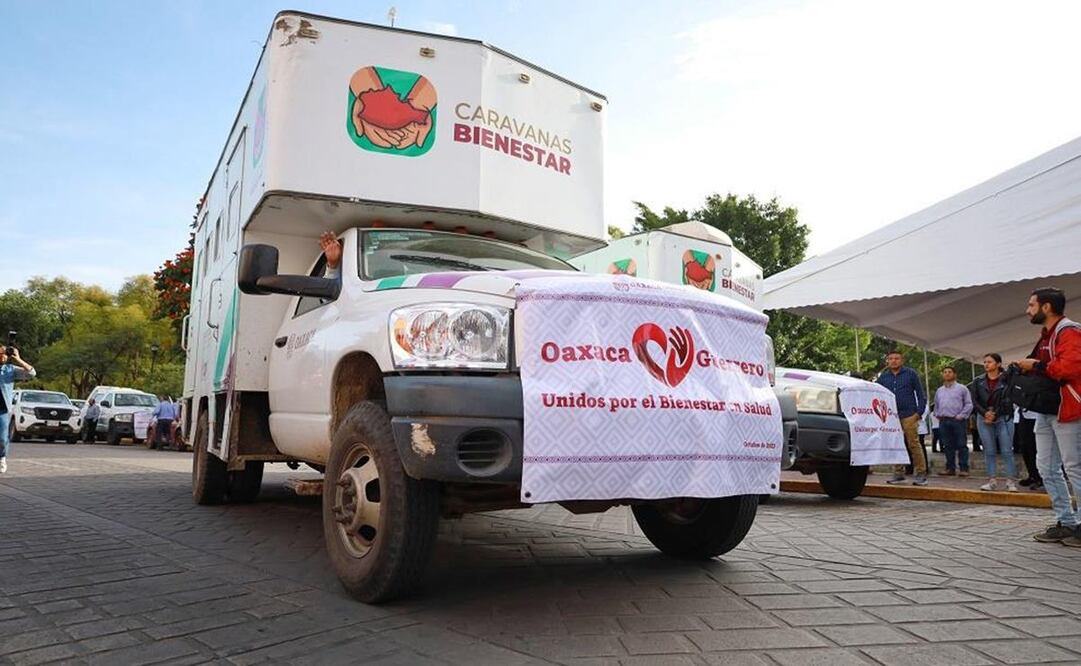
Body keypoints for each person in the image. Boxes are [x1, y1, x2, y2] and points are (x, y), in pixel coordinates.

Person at [1013, 287, 1081, 546]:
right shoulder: (1046, 336)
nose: (1027, 310)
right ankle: (1067, 521)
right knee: (1047, 468)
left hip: (1068, 408)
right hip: (1047, 410)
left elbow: (1070, 368)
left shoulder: (1069, 331)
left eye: (1031, 305)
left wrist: (1037, 366)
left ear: (1046, 307)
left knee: (1074, 467)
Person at [877, 350, 928, 485]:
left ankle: (921, 473)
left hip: (910, 415)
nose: (894, 361)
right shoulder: (883, 377)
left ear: (902, 360)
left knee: (913, 443)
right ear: (887, 361)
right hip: (891, 416)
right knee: (895, 444)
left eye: (897, 358)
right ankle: (899, 473)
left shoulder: (911, 374)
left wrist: (919, 413)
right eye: (891, 358)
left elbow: (920, 393)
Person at [970, 353, 1018, 492]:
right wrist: (985, 413)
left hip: (1003, 417)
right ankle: (992, 481)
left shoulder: (1007, 380)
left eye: (989, 362)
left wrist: (995, 414)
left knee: (1007, 450)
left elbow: (1008, 399)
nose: (986, 364)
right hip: (983, 417)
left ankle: (1010, 481)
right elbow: (974, 401)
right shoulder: (978, 381)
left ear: (998, 364)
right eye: (985, 362)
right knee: (989, 450)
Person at [0, 346, 37, 473]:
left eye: (6, 354)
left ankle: (2, 457)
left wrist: (18, 358)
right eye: (2, 353)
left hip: (2, 409)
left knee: (2, 437)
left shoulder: (10, 370)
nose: (4, 356)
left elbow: (32, 373)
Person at [934, 366, 973, 478]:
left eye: (949, 372)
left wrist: (961, 416)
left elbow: (969, 404)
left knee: (961, 445)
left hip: (958, 421)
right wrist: (937, 414)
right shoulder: (939, 390)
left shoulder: (962, 388)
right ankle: (950, 468)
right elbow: (936, 404)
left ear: (954, 374)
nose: (947, 374)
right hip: (943, 421)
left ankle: (964, 468)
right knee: (947, 446)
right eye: (945, 372)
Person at [1014, 405, 1042, 489]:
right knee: (1024, 447)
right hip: (1023, 415)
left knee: (1033, 448)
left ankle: (1039, 477)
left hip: (1036, 417)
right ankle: (1032, 475)